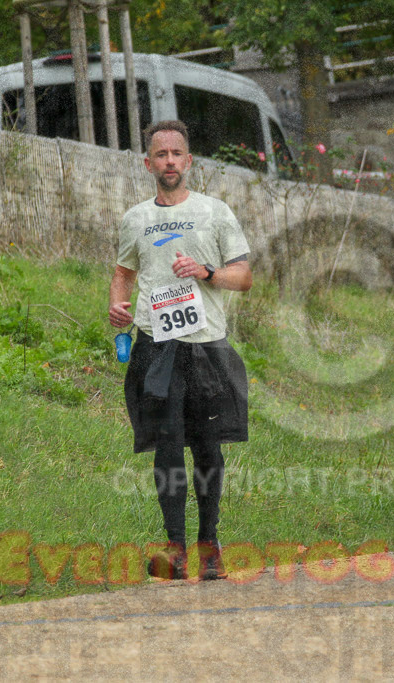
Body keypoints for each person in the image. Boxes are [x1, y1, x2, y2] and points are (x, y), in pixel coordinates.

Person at [108, 120, 253, 580]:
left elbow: (244, 277)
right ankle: (174, 548)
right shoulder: (136, 219)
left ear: (189, 162)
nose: (169, 161)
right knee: (167, 446)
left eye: (177, 153)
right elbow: (123, 273)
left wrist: (208, 272)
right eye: (160, 154)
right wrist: (116, 307)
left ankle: (209, 547)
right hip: (157, 346)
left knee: (208, 448)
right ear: (147, 163)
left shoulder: (216, 212)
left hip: (207, 346)